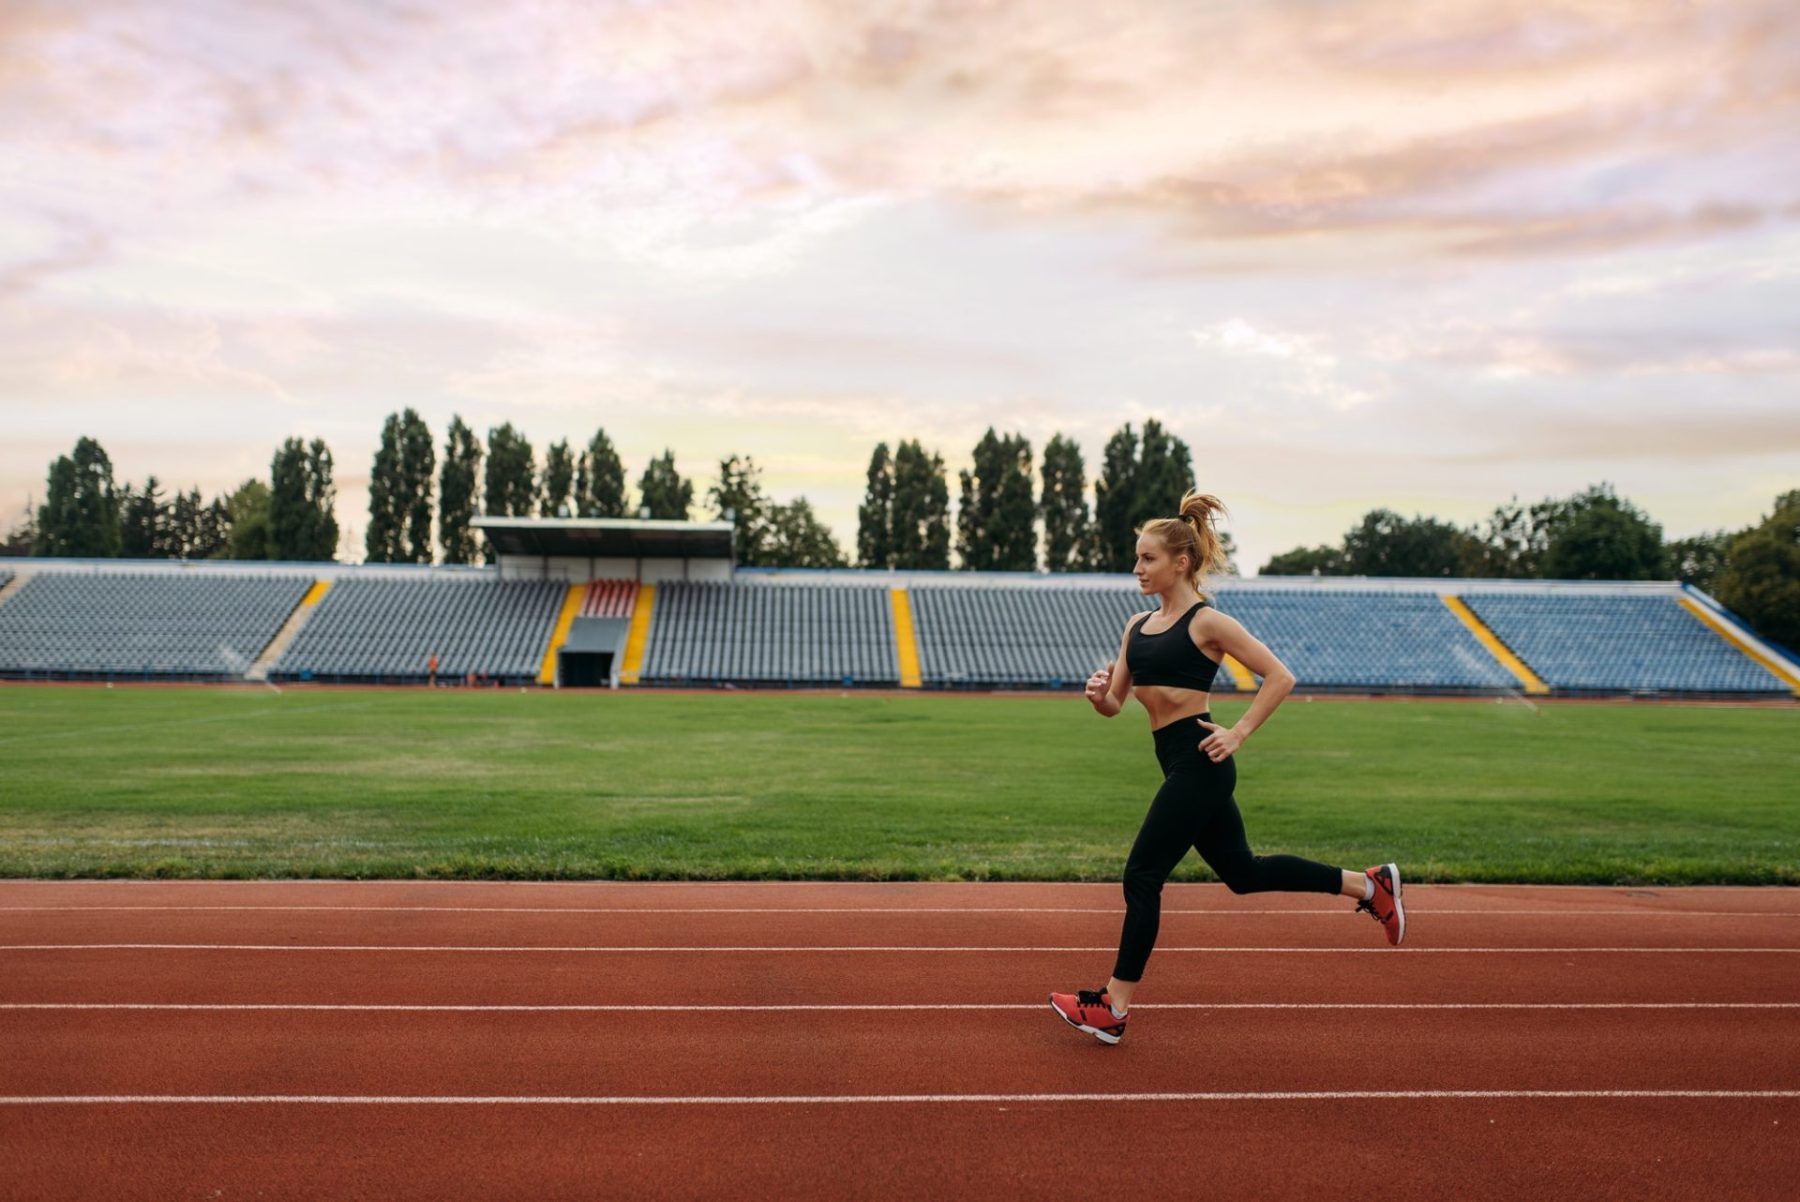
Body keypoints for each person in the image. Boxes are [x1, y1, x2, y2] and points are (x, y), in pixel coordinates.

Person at [1049, 490, 1404, 1045]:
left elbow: (1280, 676)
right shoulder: (1135, 628)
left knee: (1142, 875)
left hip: (1201, 763)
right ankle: (1369, 886)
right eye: (1137, 558)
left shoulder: (1207, 622)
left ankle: (1114, 1005)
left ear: (1180, 562)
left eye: (1148, 558)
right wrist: (1098, 695)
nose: (1137, 568)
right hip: (1176, 764)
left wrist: (1238, 732)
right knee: (1243, 874)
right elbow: (1117, 704)